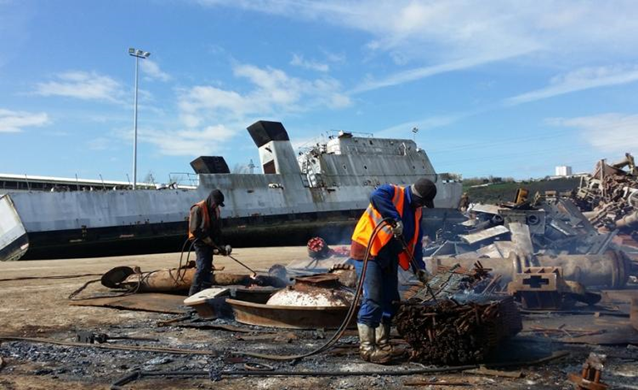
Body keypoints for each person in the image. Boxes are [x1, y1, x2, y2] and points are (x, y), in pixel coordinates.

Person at [350, 178, 437, 364]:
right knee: (373, 297)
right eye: (421, 201)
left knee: (390, 297)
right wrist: (394, 218)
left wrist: (419, 268)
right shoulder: (392, 192)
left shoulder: (417, 211)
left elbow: (415, 242)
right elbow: (375, 196)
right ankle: (367, 348)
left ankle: (383, 344)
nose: (422, 205)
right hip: (369, 250)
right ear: (415, 195)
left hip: (388, 255)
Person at [188, 189, 231, 296]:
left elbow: (217, 230)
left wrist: (222, 245)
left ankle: (205, 291)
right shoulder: (198, 208)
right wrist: (206, 239)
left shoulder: (216, 210)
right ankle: (192, 294)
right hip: (199, 240)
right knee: (202, 267)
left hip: (209, 241)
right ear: (211, 200)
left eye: (218, 204)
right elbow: (194, 229)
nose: (216, 206)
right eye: (216, 203)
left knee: (208, 267)